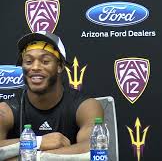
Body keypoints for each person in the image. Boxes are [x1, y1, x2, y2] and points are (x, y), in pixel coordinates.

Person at [0, 31, 104, 160]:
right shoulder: (6, 109)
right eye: (28, 61)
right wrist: (38, 142)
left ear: (60, 66)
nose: (35, 67)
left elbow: (95, 149)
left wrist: (33, 156)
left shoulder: (86, 106)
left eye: (45, 61)